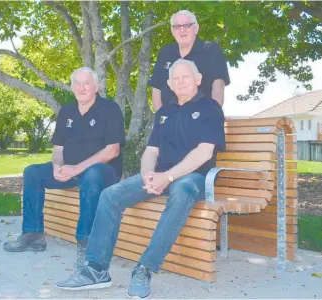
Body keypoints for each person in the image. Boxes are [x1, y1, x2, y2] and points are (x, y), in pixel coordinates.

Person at [56, 59, 225, 298]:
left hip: (194, 177)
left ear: (198, 80)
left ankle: (145, 268)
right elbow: (151, 151)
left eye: (185, 77)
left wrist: (168, 176)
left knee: (182, 190)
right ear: (169, 84)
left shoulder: (210, 108)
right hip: (161, 175)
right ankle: (96, 269)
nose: (180, 82)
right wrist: (148, 176)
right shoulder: (164, 112)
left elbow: (204, 152)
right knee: (110, 195)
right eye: (175, 78)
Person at [3, 67, 126, 268]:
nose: (81, 87)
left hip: (103, 171)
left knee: (92, 174)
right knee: (32, 173)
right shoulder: (67, 111)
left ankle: (87, 243)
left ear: (96, 87)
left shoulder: (110, 109)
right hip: (72, 170)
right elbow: (58, 148)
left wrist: (77, 168)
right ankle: (33, 234)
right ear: (71, 87)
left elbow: (112, 151)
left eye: (86, 83)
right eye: (76, 83)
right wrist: (57, 166)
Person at [149, 10, 230, 110]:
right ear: (172, 31)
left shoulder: (210, 50)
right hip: (170, 120)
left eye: (187, 25)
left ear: (196, 28)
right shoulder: (165, 53)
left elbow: (218, 85)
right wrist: (161, 118)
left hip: (202, 119)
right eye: (177, 26)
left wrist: (213, 115)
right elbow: (156, 88)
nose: (182, 30)